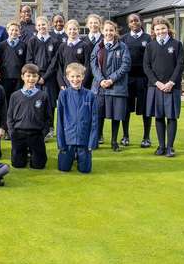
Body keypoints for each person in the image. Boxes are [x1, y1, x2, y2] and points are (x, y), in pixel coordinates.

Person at [143, 17, 184, 157]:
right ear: (153, 31)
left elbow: (180, 65)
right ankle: (161, 146)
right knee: (159, 116)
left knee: (171, 117)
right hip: (155, 87)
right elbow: (146, 67)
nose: (160, 31)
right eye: (157, 29)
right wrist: (158, 83)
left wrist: (171, 82)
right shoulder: (150, 46)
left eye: (163, 28)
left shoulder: (177, 44)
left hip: (172, 87)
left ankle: (170, 147)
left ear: (168, 29)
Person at [90, 20, 131, 151]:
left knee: (116, 116)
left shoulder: (122, 46)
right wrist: (101, 80)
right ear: (102, 31)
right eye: (106, 30)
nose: (108, 33)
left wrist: (111, 80)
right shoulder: (98, 46)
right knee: (99, 114)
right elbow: (93, 64)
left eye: (111, 30)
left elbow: (126, 65)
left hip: (117, 88)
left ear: (115, 31)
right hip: (99, 87)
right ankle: (96, 139)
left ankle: (114, 141)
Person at [56, 63, 99, 173]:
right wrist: (61, 143)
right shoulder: (63, 94)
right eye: (73, 76)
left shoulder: (90, 95)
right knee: (64, 168)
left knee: (85, 170)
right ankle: (70, 156)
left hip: (83, 140)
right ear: (67, 77)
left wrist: (91, 143)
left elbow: (94, 121)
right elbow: (59, 120)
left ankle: (80, 156)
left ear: (83, 77)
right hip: (67, 140)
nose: (75, 79)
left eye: (78, 76)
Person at [7, 64, 50, 169]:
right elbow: (10, 117)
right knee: (18, 164)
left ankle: (33, 154)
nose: (31, 79)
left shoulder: (43, 95)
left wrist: (43, 132)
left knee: (38, 165)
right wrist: (12, 133)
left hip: (36, 134)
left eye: (34, 76)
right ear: (22, 77)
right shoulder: (15, 96)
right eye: (28, 76)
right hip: (19, 133)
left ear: (38, 78)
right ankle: (24, 154)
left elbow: (48, 117)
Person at [121, 13, 153, 148]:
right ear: (128, 24)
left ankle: (146, 137)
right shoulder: (123, 39)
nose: (134, 23)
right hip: (128, 79)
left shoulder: (149, 39)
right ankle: (125, 136)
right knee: (126, 109)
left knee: (146, 109)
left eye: (137, 20)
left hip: (143, 79)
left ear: (141, 22)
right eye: (131, 21)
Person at [26, 16, 60, 137]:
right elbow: (29, 60)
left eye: (44, 25)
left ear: (48, 26)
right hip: (35, 77)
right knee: (36, 101)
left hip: (49, 77)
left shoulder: (55, 41)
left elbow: (55, 62)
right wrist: (36, 76)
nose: (41, 27)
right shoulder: (32, 41)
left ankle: (50, 127)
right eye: (39, 25)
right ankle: (37, 125)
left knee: (50, 103)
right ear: (36, 27)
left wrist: (44, 77)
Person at [56, 19, 93, 91]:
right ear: (66, 31)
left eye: (74, 29)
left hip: (80, 81)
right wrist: (61, 83)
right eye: (70, 29)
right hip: (66, 82)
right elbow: (59, 66)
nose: (72, 31)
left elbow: (88, 66)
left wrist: (82, 82)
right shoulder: (62, 46)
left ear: (78, 30)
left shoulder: (84, 46)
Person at [0, 20, 27, 103]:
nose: (14, 32)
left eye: (16, 30)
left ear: (19, 31)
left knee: (18, 98)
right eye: (12, 30)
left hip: (19, 77)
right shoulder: (2, 45)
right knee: (6, 98)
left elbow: (25, 61)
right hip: (5, 76)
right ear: (7, 31)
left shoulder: (23, 45)